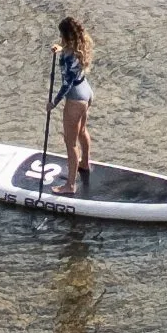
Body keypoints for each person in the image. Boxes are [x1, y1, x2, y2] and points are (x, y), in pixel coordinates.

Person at [55, 15, 94, 197]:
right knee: (82, 131)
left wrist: (53, 103)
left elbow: (67, 84)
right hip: (86, 92)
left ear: (65, 35)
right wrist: (60, 49)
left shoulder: (67, 56)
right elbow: (69, 54)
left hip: (75, 97)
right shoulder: (79, 47)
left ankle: (70, 185)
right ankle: (85, 163)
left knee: (70, 143)